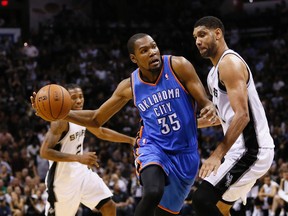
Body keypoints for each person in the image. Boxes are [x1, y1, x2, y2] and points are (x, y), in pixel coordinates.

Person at [34, 33, 217, 215]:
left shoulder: (178, 66)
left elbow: (203, 100)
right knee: (153, 192)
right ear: (134, 58)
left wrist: (208, 105)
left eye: (154, 46)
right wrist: (60, 113)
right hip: (153, 147)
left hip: (186, 153)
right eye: (144, 51)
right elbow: (97, 119)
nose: (152, 52)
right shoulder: (129, 86)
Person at [192, 16, 275, 216]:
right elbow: (218, 118)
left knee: (201, 199)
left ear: (218, 33)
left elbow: (242, 115)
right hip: (241, 150)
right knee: (220, 208)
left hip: (251, 150)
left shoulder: (229, 63)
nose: (197, 41)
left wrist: (217, 154)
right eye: (195, 37)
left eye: (202, 34)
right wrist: (185, 125)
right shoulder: (213, 74)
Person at [31, 83, 135, 216]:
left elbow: (101, 132)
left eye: (81, 96)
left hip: (82, 174)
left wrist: (130, 140)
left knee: (109, 205)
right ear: (65, 99)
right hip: (61, 181)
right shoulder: (60, 122)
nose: (79, 100)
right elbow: (45, 152)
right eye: (74, 97)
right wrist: (78, 158)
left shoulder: (82, 118)